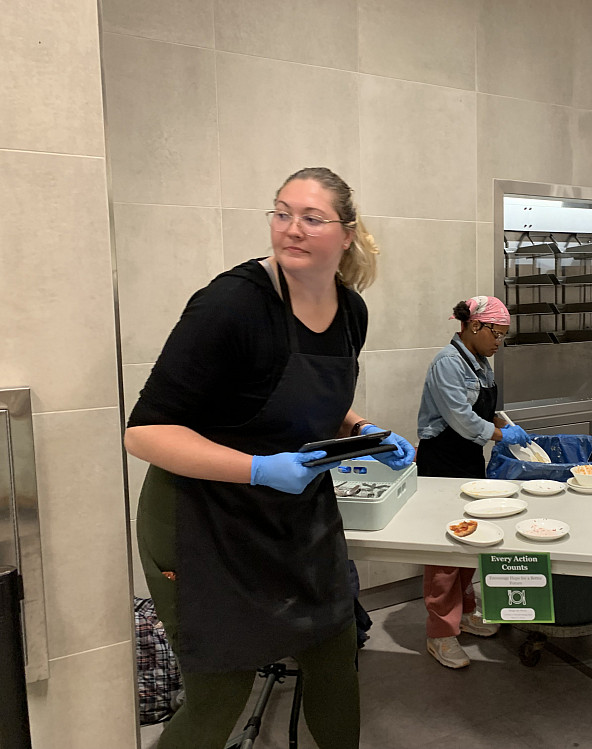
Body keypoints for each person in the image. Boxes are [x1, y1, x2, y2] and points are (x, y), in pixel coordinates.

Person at [124, 167, 415, 748]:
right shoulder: (231, 304)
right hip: (203, 525)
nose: (293, 229)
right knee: (219, 694)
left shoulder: (350, 312)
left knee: (335, 661)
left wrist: (361, 427)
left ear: (347, 233)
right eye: (282, 213)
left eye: (312, 218)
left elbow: (303, 401)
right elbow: (146, 432)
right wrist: (258, 469)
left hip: (295, 521)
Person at [415, 296, 532, 668]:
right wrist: (499, 437)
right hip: (441, 460)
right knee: (444, 551)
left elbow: (483, 411)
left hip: (467, 458)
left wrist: (506, 425)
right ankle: (440, 633)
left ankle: (464, 613)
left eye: (504, 336)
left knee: (469, 538)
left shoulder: (479, 362)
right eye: (497, 333)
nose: (500, 342)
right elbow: (461, 419)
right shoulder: (447, 363)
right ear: (475, 327)